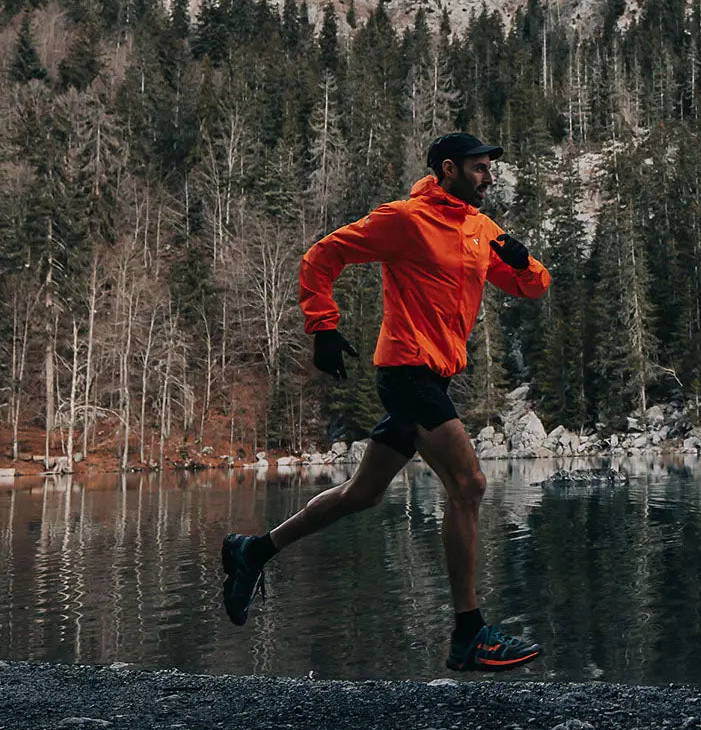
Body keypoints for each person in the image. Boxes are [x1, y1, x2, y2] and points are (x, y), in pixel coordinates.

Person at [220, 132, 551, 672]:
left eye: (490, 167)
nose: (489, 177)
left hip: (435, 379)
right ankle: (468, 633)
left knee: (362, 494)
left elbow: (532, 288)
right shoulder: (405, 220)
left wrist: (524, 261)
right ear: (448, 169)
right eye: (478, 168)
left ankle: (252, 551)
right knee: (469, 485)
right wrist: (323, 327)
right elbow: (321, 257)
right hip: (405, 371)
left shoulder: (480, 228)